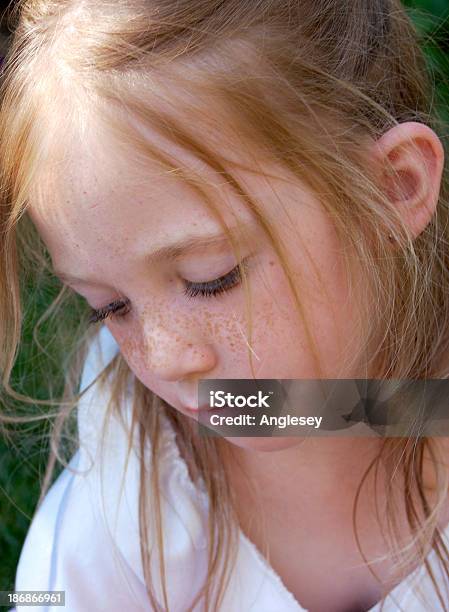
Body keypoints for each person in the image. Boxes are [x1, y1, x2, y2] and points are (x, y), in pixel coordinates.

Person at [0, 0, 448, 610]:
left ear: (391, 189)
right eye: (109, 308)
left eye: (211, 278)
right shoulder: (116, 521)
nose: (163, 357)